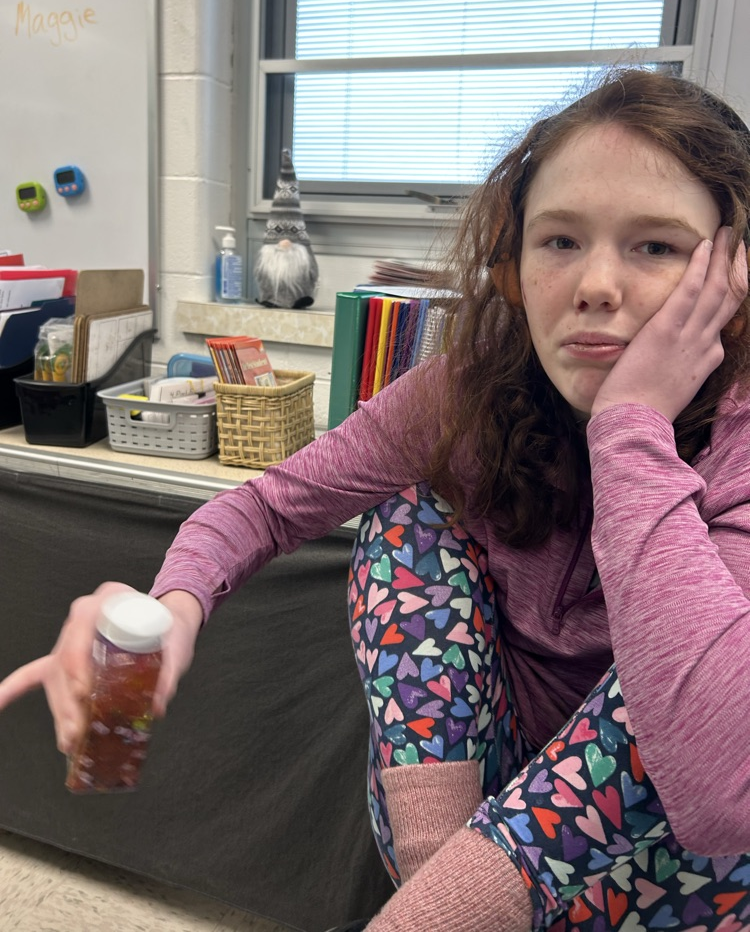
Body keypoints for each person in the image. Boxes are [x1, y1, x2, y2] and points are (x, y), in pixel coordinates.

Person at [1, 67, 750, 932]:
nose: (597, 285)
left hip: (671, 868)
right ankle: (443, 892)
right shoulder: (466, 392)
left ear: (735, 274)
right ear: (512, 268)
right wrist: (173, 606)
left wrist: (630, 427)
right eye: (559, 241)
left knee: (691, 663)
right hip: (477, 806)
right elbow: (266, 507)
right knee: (409, 518)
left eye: (656, 247)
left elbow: (718, 786)